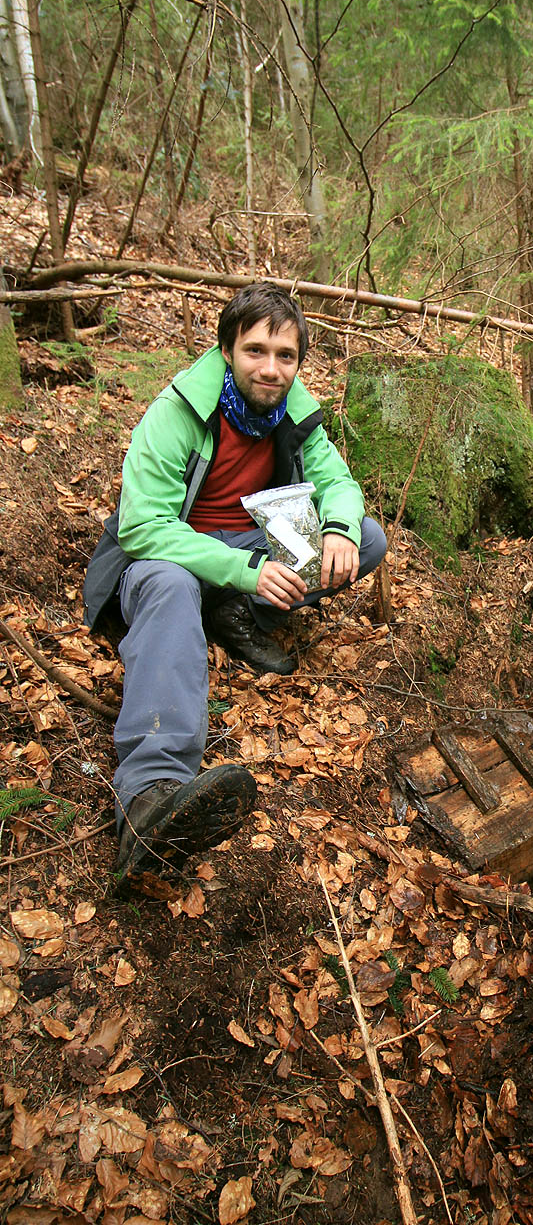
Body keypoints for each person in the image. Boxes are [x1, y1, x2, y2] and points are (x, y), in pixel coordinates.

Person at [83, 282, 387, 890]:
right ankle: (148, 798)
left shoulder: (294, 409)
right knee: (171, 587)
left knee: (367, 539)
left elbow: (339, 483)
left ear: (299, 361)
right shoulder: (180, 411)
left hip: (244, 546)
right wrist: (245, 572)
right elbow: (145, 527)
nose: (270, 369)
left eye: (286, 355)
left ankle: (236, 615)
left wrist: (336, 530)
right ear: (227, 350)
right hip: (165, 555)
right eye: (255, 351)